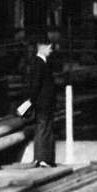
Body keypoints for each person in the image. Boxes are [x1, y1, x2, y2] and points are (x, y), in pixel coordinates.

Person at [19, 38, 57, 167]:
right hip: (43, 102)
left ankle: (42, 157)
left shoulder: (42, 62)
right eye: (50, 48)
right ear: (42, 47)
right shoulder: (39, 63)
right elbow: (35, 85)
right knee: (43, 128)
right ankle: (42, 158)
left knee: (44, 127)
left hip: (45, 102)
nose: (51, 50)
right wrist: (33, 101)